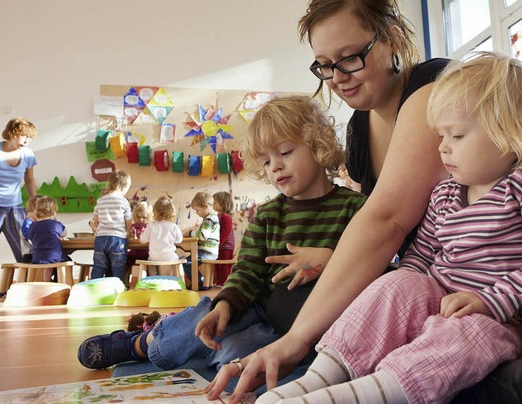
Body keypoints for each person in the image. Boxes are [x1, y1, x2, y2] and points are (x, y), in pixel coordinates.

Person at [207, 1, 522, 402]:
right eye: (324, 65)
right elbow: (412, 254)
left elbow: (387, 220)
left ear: (391, 40)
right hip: (456, 287)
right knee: (371, 298)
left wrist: (296, 340)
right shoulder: (368, 139)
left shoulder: (441, 91)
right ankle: (324, 382)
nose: (336, 77)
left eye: (350, 57)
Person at [256, 51, 522, 403]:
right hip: (437, 306)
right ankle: (318, 379)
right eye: (440, 135)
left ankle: (353, 396)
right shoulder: (445, 193)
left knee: (464, 337)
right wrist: (401, 303)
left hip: (496, 321)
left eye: (456, 136)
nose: (442, 148)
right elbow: (419, 258)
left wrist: (491, 301)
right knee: (398, 281)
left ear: (509, 133)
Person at [76, 96, 367, 390]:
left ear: (319, 145)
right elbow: (247, 271)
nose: (275, 167)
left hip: (299, 334)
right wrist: (226, 304)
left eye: (285, 152)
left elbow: (382, 266)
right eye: (266, 161)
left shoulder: (356, 208)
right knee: (206, 313)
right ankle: (141, 343)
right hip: (259, 312)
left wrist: (331, 258)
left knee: (240, 361)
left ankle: (200, 357)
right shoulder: (268, 214)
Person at [0, 117, 38, 283]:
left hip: (14, 206)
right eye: (23, 136)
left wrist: (34, 201)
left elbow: (29, 179)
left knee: (26, 248)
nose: (27, 140)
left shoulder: (27, 154)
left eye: (30, 138)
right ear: (12, 133)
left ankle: (31, 286)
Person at [90, 170, 132, 283]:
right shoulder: (123, 202)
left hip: (100, 238)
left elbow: (95, 222)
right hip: (117, 239)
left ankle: (93, 288)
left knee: (98, 265)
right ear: (123, 187)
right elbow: (128, 223)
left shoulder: (100, 201)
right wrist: (128, 231)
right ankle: (119, 289)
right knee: (118, 266)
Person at [26, 195, 69, 282]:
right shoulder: (55, 224)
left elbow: (30, 239)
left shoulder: (33, 225)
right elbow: (64, 233)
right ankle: (59, 282)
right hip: (54, 257)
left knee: (48, 263)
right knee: (66, 260)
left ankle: (47, 281)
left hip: (37, 257)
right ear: (53, 212)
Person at [139, 196, 183, 264]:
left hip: (154, 258)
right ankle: (174, 274)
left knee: (149, 260)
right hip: (169, 258)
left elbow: (142, 240)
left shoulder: (151, 225)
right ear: (172, 213)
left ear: (155, 212)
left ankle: (152, 275)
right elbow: (179, 240)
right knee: (176, 259)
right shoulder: (173, 226)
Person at [212, 191, 236, 286]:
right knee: (218, 264)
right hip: (220, 245)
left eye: (215, 202)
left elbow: (225, 232)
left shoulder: (226, 217)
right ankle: (219, 281)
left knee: (224, 265)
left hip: (226, 245)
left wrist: (218, 243)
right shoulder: (218, 216)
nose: (213, 204)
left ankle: (224, 282)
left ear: (223, 203)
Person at [124, 201, 152, 282]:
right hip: (134, 252)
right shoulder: (134, 226)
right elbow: (127, 237)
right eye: (139, 217)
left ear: (149, 216)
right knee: (123, 261)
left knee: (150, 265)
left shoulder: (151, 226)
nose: (141, 219)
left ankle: (149, 281)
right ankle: (124, 280)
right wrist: (129, 234)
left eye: (144, 217)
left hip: (147, 253)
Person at [21, 194, 43, 264]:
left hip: (37, 254)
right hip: (30, 254)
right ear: (35, 211)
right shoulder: (28, 223)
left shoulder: (34, 223)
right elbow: (30, 238)